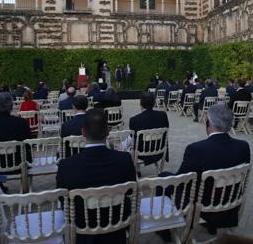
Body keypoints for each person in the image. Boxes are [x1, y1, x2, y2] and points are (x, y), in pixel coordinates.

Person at [158, 103, 250, 238]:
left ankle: (164, 230)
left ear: (208, 123)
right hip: (230, 201)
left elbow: (180, 181)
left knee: (163, 177)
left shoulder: (196, 149)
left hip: (202, 206)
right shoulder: (244, 146)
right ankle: (212, 226)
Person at [56, 109, 136, 244]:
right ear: (108, 131)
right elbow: (130, 191)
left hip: (82, 224)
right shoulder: (124, 159)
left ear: (83, 132)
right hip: (117, 220)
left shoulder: (66, 165)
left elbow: (62, 198)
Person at [129, 92, 169, 167]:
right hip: (159, 150)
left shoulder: (134, 120)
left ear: (140, 103)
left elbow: (132, 137)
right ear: (154, 103)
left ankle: (135, 169)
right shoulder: (163, 115)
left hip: (141, 152)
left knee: (127, 141)